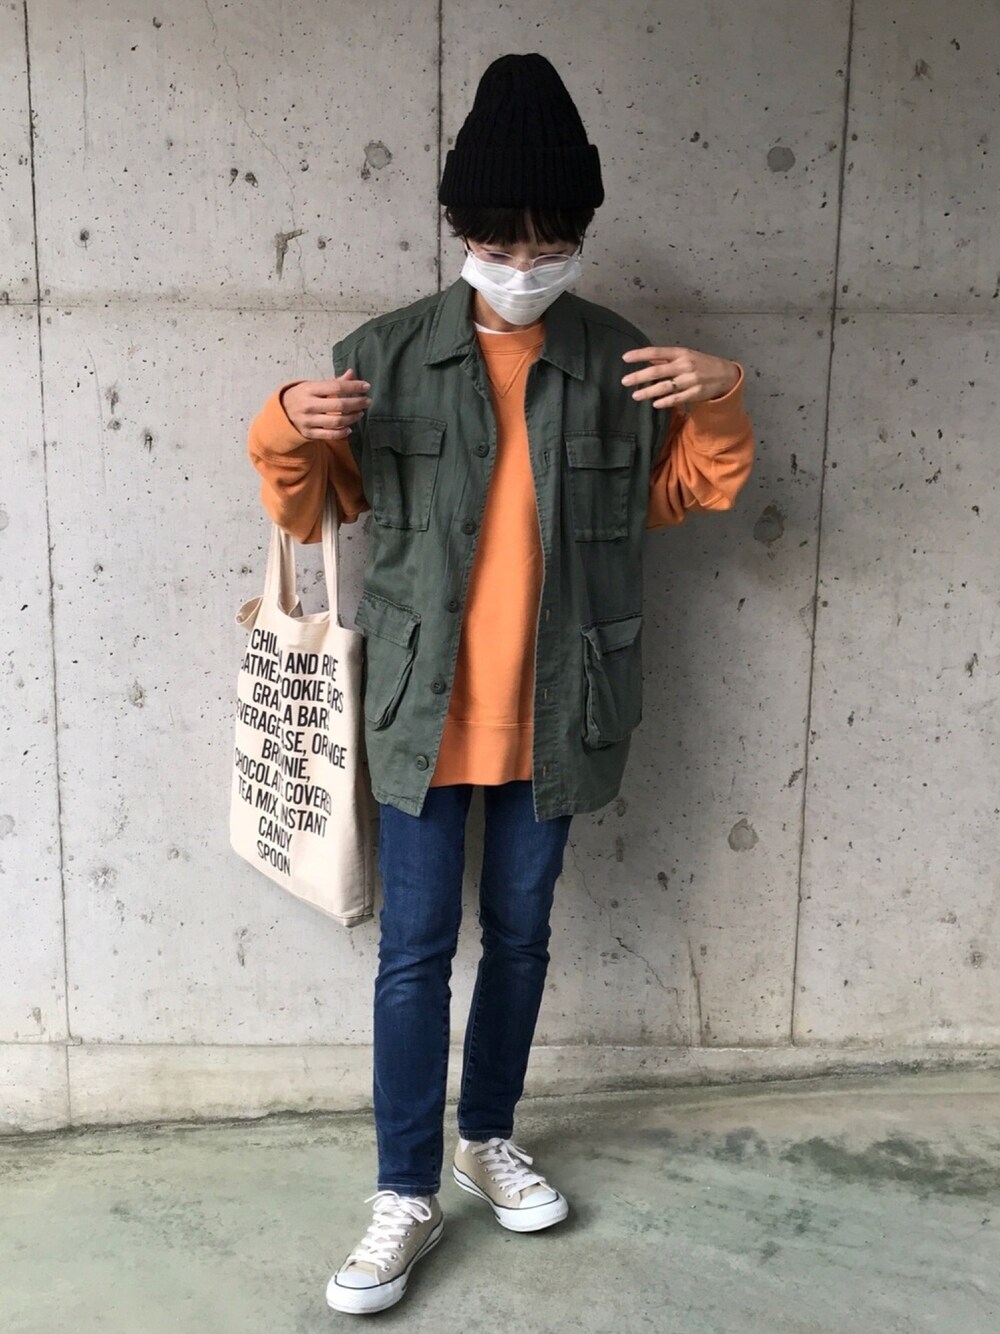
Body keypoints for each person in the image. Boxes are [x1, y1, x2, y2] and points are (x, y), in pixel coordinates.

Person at [247, 52, 754, 1316]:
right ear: (458, 226)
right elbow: (312, 509)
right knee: (413, 953)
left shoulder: (620, 359)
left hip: (560, 712)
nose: (523, 264)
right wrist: (283, 422)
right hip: (420, 714)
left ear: (581, 231)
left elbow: (683, 494)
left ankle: (487, 1137)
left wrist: (720, 399)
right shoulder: (383, 355)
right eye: (496, 239)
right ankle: (402, 1191)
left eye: (549, 242)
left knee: (521, 937)